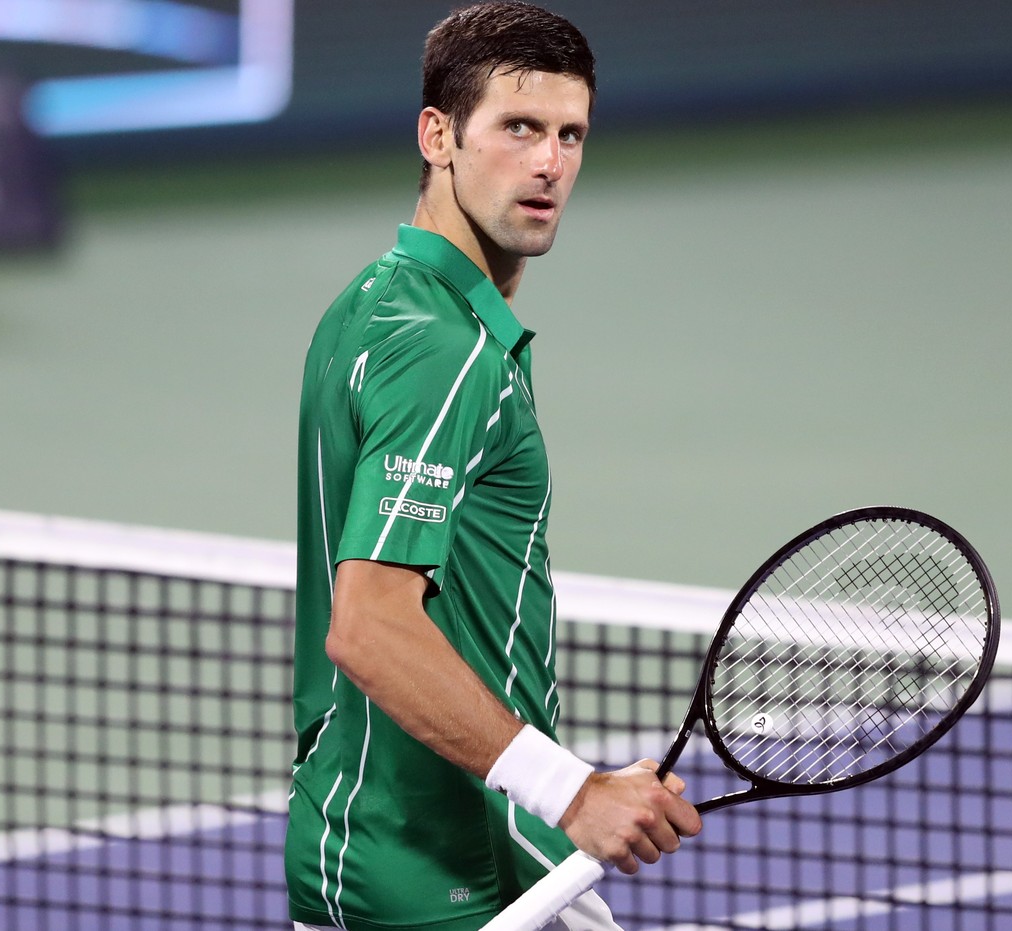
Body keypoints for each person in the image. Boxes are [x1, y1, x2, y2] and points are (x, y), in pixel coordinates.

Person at [286, 4, 701, 929]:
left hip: (425, 840)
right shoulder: (443, 351)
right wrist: (572, 791)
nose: (549, 162)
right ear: (438, 135)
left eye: (569, 134)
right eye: (518, 128)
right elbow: (368, 625)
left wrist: (565, 792)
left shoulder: (373, 305)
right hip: (435, 877)